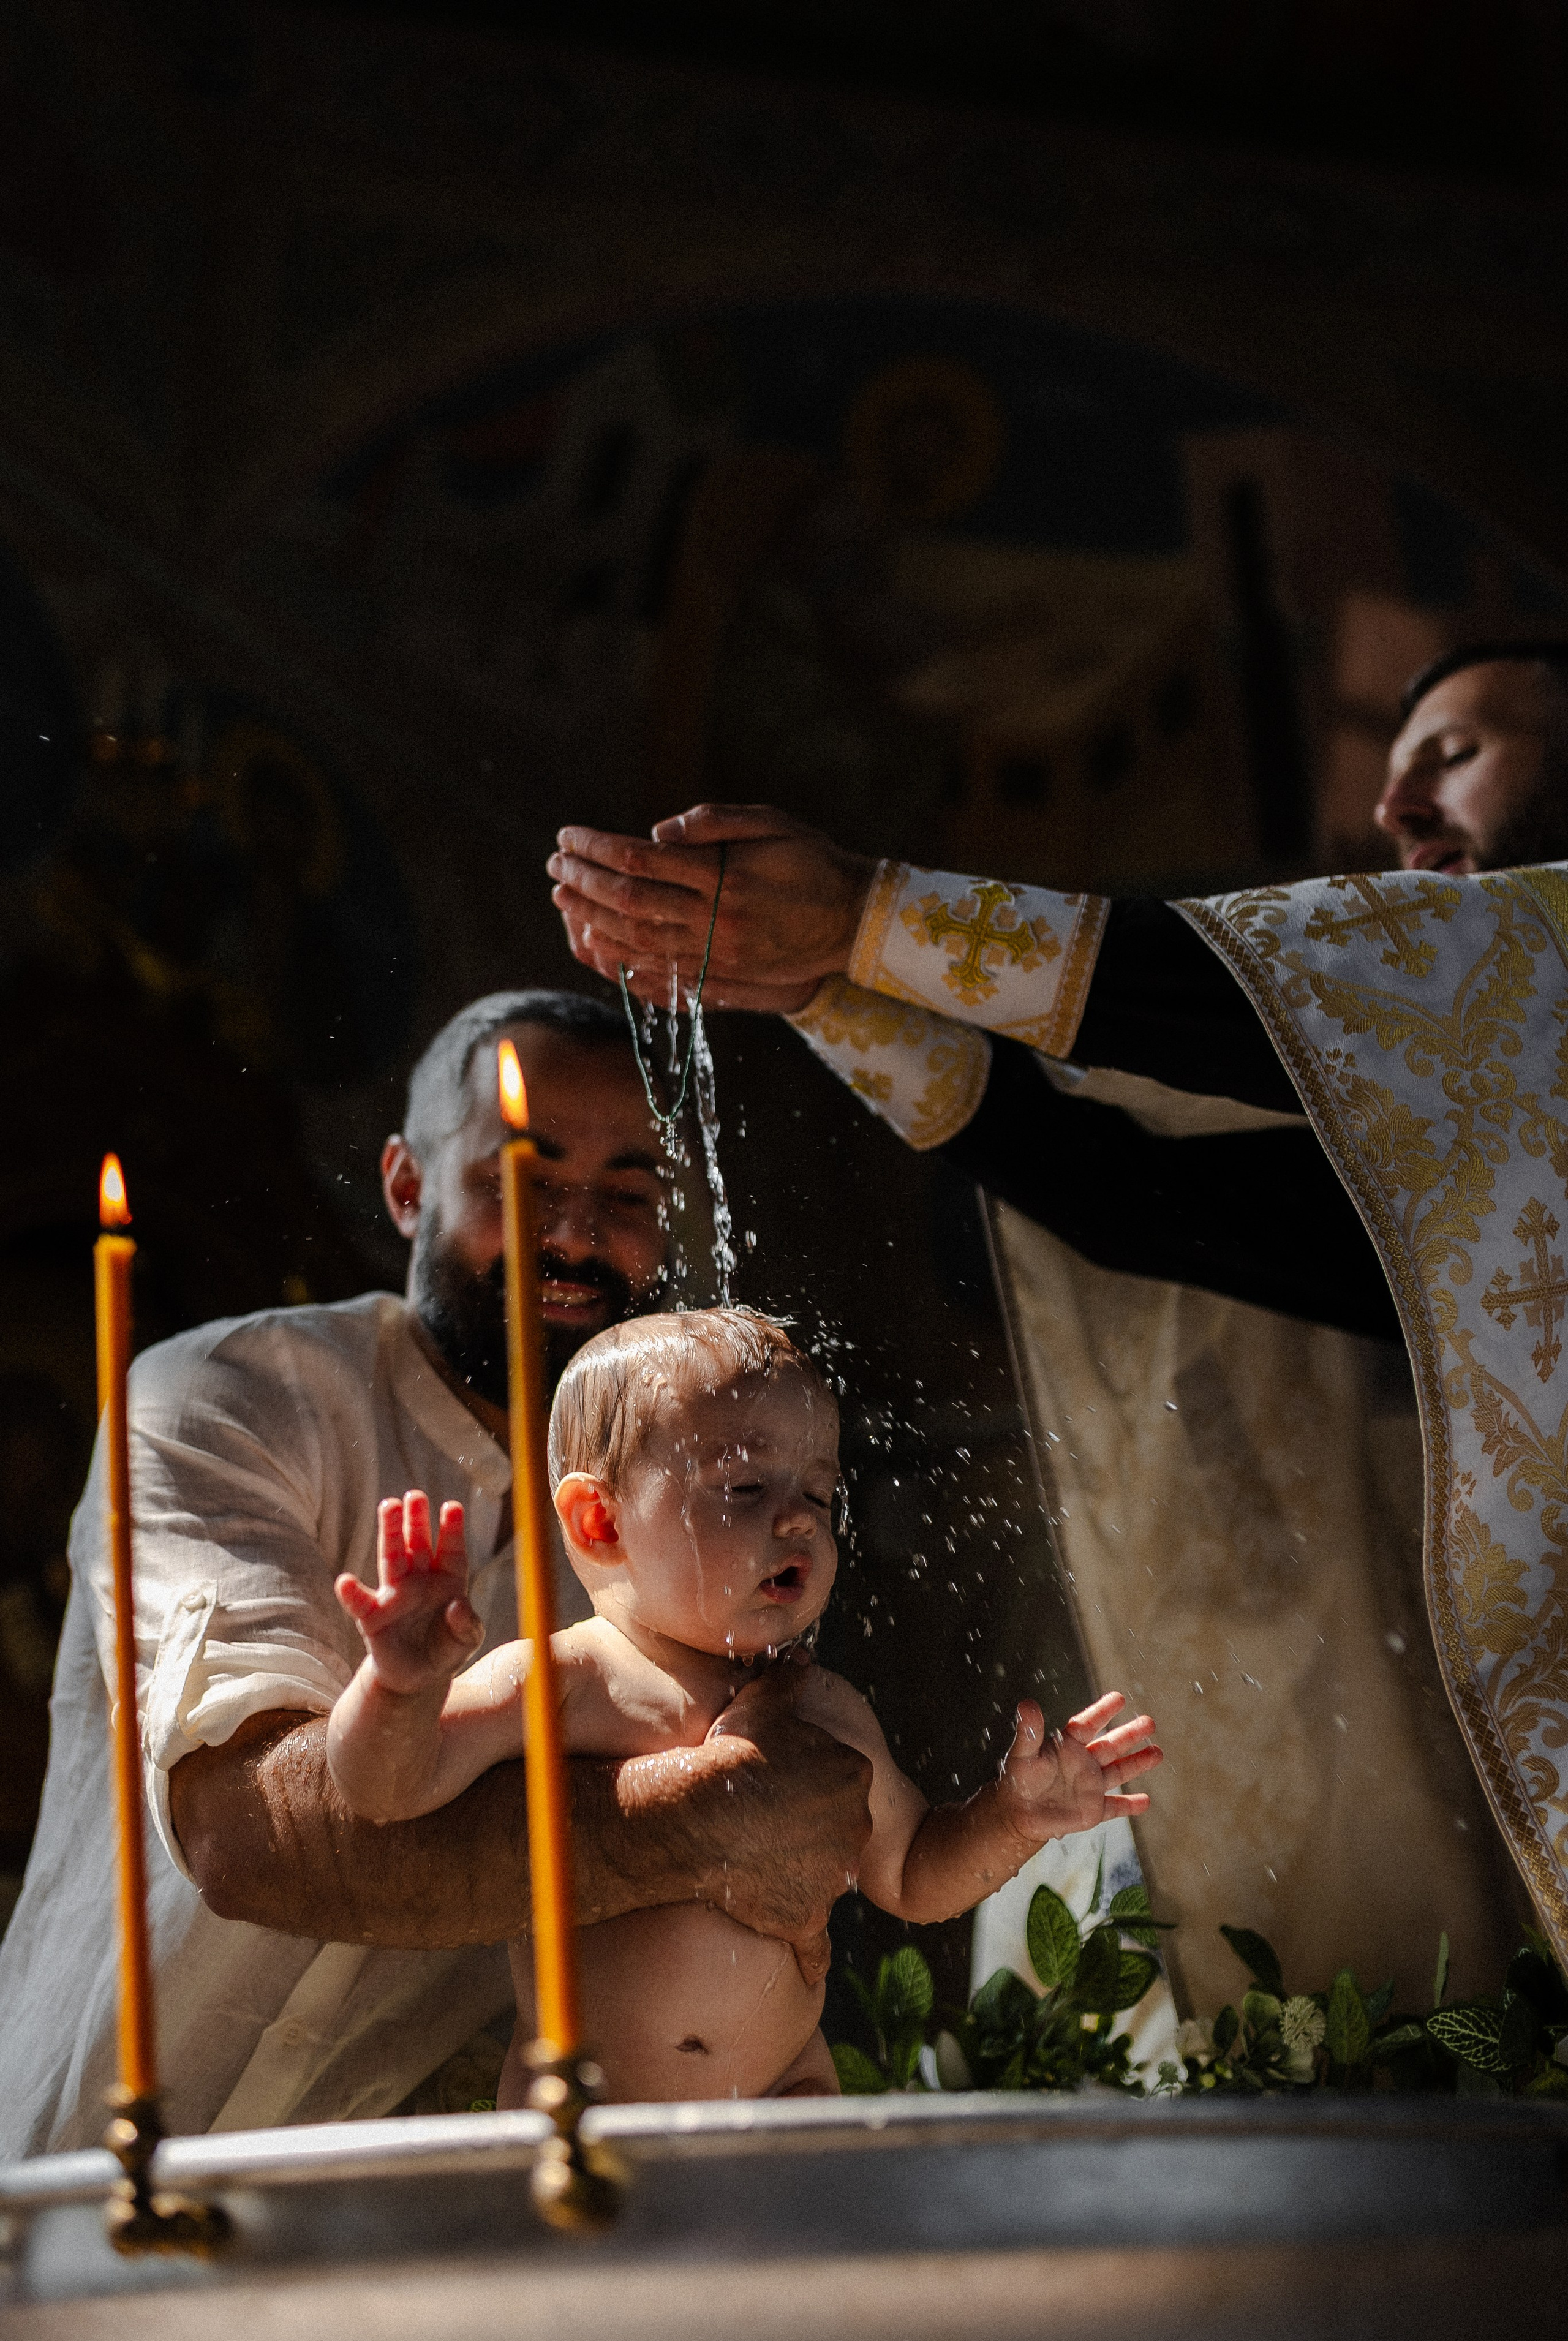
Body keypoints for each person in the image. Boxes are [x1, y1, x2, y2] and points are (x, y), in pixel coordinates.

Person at [0, 992, 872, 2156]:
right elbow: (247, 1833)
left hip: (408, 2204)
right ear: (409, 1187)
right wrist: (701, 1819)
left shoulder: (705, 1532)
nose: (575, 1233)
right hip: (92, 2165)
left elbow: (784, 1819)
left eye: (630, 1194)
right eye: (525, 1176)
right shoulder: (215, 1397)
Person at [546, 641, 1568, 1340]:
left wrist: (861, 916)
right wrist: (824, 991)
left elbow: (1230, 998)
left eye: (1457, 755)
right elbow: (1137, 1204)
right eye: (1395, 777)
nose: (1394, 807)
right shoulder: (1491, 1169)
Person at [325, 1307, 1161, 2102]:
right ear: (599, 1522)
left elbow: (910, 1874)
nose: (798, 1520)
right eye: (747, 1487)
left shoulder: (825, 1709)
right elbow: (383, 1790)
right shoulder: (564, 1682)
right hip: (598, 2116)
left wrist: (1008, 1820)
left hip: (786, 2093)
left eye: (820, 1496)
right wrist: (399, 1686)